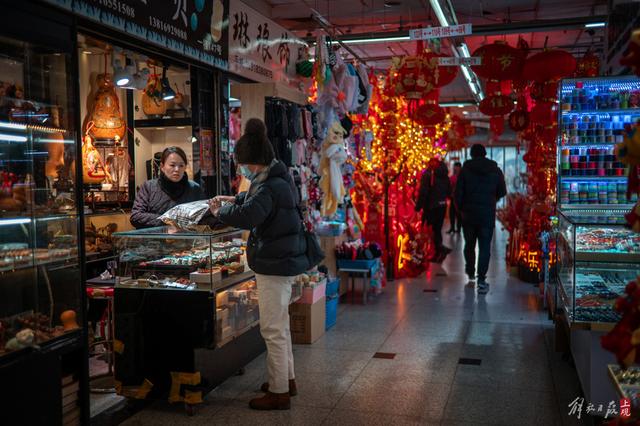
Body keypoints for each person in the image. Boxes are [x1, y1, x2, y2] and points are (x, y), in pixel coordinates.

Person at [209, 118, 308, 411]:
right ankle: (286, 380)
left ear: (251, 162)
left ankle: (278, 393)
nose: (241, 169)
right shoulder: (275, 176)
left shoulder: (266, 186)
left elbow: (250, 215)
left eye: (242, 164)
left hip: (273, 263)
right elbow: (255, 201)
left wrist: (221, 210)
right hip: (283, 259)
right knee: (281, 326)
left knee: (272, 329)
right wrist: (236, 197)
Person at [455, 144, 507, 295]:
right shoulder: (495, 170)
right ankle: (482, 280)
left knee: (469, 245)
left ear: (471, 154)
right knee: (484, 248)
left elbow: (458, 194)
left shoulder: (465, 170)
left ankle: (470, 272)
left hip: (469, 215)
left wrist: (461, 210)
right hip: (486, 215)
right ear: (485, 154)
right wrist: (492, 199)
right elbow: (502, 191)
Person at [130, 146, 206, 229]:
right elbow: (136, 216)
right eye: (172, 165)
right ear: (162, 167)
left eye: (181, 165)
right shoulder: (149, 187)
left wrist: (216, 212)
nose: (177, 169)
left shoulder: (194, 188)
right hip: (152, 240)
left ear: (185, 167)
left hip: (185, 240)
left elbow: (203, 218)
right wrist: (167, 221)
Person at [415, 159, 451, 263]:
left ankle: (438, 250)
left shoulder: (428, 175)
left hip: (431, 206)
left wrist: (418, 207)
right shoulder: (445, 175)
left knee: (429, 230)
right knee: (437, 229)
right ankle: (438, 252)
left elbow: (423, 192)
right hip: (442, 206)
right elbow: (449, 191)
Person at [447, 161, 462, 234]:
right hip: (453, 198)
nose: (455, 169)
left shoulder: (461, 178)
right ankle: (453, 228)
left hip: (458, 198)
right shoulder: (452, 177)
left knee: (458, 214)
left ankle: (457, 228)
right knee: (452, 213)